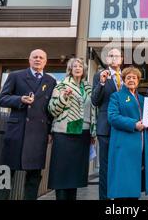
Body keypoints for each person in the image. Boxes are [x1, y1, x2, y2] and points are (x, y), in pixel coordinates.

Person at [0, 49, 56, 200]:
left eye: (41, 57)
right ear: (29, 60)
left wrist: (49, 131)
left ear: (45, 61)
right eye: (35, 57)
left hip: (39, 133)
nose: (38, 59)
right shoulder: (16, 76)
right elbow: (2, 99)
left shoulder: (51, 81)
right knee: (6, 172)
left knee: (34, 176)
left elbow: (50, 109)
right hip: (17, 131)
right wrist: (19, 100)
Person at [47, 58, 96, 200]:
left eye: (80, 66)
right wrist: (63, 98)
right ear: (70, 69)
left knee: (75, 174)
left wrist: (93, 132)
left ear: (84, 70)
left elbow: (93, 111)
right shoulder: (61, 86)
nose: (77, 68)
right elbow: (52, 110)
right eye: (74, 66)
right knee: (62, 173)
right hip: (64, 133)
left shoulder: (88, 87)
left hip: (83, 134)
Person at [107, 67, 148, 199]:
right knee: (124, 185)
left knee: (134, 185)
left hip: (140, 147)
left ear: (138, 81)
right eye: (128, 78)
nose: (131, 80)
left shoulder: (143, 99)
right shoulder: (116, 96)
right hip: (124, 146)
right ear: (123, 80)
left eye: (134, 78)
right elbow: (112, 117)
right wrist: (133, 124)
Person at [91, 48, 123, 200]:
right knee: (105, 167)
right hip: (106, 128)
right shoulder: (100, 75)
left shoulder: (127, 76)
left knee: (121, 165)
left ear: (121, 59)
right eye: (111, 56)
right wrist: (102, 83)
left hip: (125, 128)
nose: (114, 58)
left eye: (117, 56)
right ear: (107, 59)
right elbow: (95, 101)